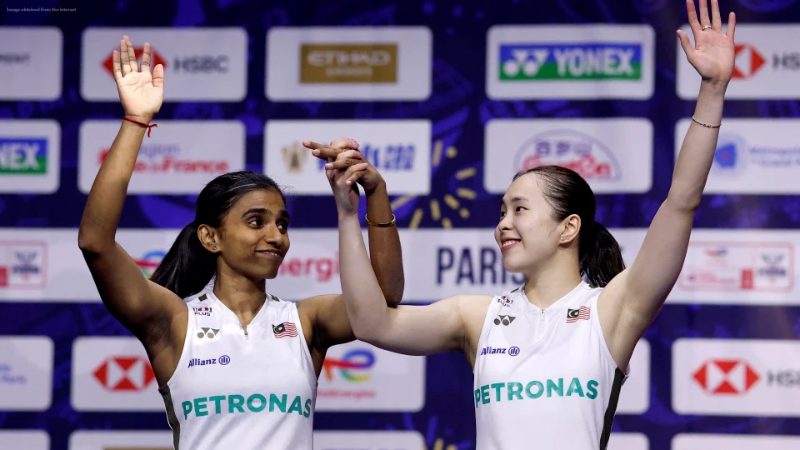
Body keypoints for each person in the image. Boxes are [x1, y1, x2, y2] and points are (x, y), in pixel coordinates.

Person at [329, 1, 735, 448]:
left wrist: (712, 89)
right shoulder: (476, 316)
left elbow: (681, 202)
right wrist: (350, 212)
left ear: (568, 228)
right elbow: (372, 324)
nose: (503, 224)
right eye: (501, 212)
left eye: (519, 209)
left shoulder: (613, 308)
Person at [77, 36, 403, 450]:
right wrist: (136, 120)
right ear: (210, 237)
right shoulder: (174, 322)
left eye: (282, 224)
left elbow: (384, 298)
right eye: (256, 222)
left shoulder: (306, 322)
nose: (276, 236)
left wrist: (375, 192)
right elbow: (95, 241)